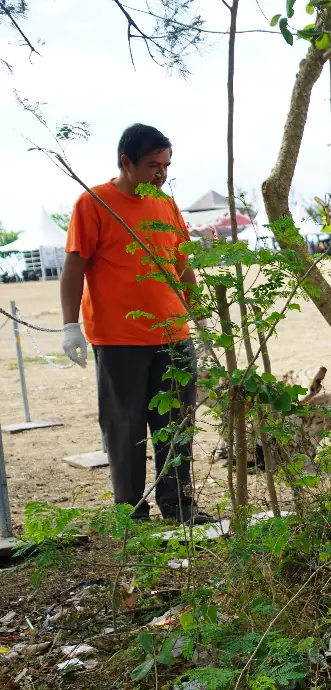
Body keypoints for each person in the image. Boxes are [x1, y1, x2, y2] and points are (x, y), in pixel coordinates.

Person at [59, 123, 212, 524]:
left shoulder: (165, 205)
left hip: (173, 336)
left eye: (166, 166)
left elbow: (182, 266)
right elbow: (74, 265)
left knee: (178, 423)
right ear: (126, 162)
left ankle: (180, 505)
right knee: (124, 427)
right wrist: (68, 325)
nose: (160, 174)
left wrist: (202, 322)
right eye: (152, 165)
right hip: (118, 338)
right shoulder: (94, 203)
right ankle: (131, 512)